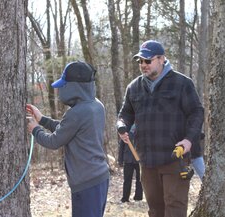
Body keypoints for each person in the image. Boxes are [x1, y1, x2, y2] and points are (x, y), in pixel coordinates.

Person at [117, 40, 204, 217]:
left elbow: (197, 113)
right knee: (155, 211)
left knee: (174, 210)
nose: (143, 65)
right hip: (147, 161)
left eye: (147, 61)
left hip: (175, 159)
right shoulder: (134, 87)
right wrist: (121, 126)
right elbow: (125, 113)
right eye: (140, 61)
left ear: (162, 59)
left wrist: (188, 140)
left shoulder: (182, 83)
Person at [26, 61, 109, 217]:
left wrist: (35, 129)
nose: (61, 90)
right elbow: (68, 130)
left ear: (75, 87)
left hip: (86, 184)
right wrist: (42, 119)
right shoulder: (96, 105)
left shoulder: (77, 113)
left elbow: (54, 141)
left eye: (64, 85)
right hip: (100, 178)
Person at [118, 124, 143, 203]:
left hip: (139, 159)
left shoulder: (142, 128)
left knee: (140, 179)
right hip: (128, 159)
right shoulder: (126, 129)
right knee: (127, 179)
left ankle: (138, 198)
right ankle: (125, 198)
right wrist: (120, 160)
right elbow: (121, 146)